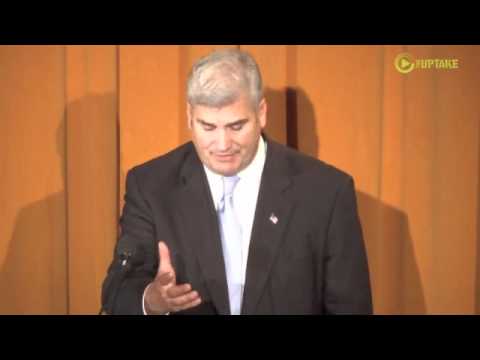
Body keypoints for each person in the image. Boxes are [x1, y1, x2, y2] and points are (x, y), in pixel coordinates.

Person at [101, 48, 373, 315]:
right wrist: (152, 300)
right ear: (189, 117)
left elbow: (350, 306)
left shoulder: (326, 193)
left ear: (261, 113)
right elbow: (117, 291)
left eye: (236, 126)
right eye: (208, 127)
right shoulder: (151, 186)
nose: (222, 145)